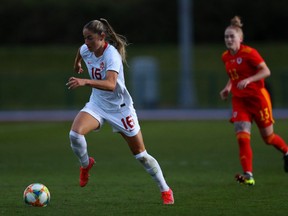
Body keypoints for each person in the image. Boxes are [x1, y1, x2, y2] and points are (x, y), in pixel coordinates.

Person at [66, 18, 174, 204]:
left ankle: (165, 189)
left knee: (141, 155)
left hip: (120, 109)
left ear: (102, 37)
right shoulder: (86, 49)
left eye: (90, 38)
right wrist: (78, 64)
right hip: (97, 104)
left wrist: (85, 81)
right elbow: (80, 51)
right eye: (84, 38)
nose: (86, 43)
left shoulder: (112, 55)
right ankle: (86, 165)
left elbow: (110, 84)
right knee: (75, 135)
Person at [220, 16, 288, 186]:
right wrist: (228, 87)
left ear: (240, 39)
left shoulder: (250, 53)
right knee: (242, 137)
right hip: (240, 101)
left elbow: (266, 71)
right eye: (226, 37)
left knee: (268, 138)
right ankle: (248, 175)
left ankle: (287, 151)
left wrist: (250, 80)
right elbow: (233, 76)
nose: (228, 39)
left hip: (258, 100)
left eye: (231, 36)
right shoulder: (225, 57)